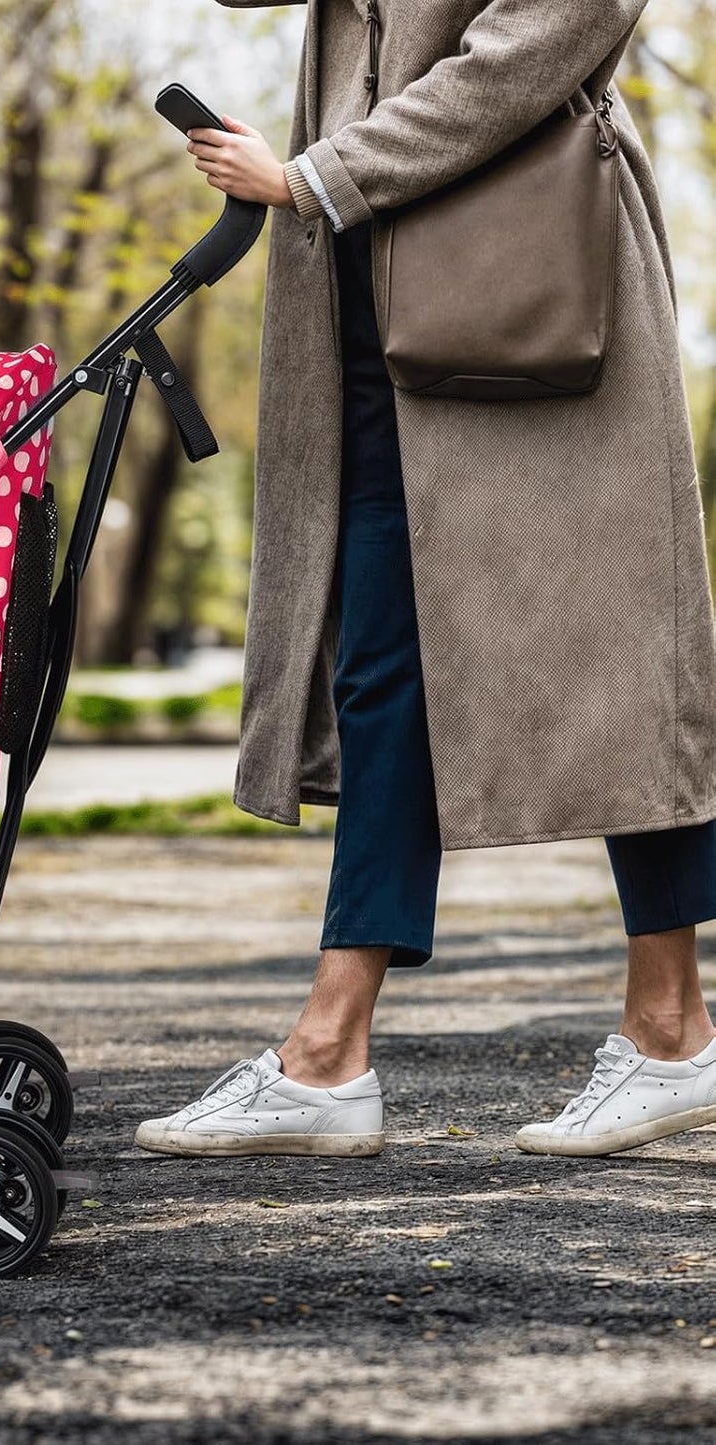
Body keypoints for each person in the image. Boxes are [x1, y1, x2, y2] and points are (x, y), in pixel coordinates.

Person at [136, 0, 716, 1161]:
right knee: (378, 667)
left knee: (617, 650)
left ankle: (669, 1028)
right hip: (362, 306)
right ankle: (327, 1051)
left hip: (529, 293)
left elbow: (540, 41)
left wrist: (313, 176)